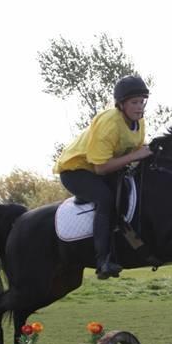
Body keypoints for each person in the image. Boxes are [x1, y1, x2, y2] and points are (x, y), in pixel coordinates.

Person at [54, 75, 153, 279]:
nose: (139, 107)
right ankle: (103, 261)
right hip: (76, 170)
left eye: (142, 102)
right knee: (105, 199)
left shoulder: (139, 123)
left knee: (127, 193)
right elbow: (100, 168)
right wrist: (136, 155)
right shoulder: (109, 122)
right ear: (121, 104)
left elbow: (136, 151)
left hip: (101, 168)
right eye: (134, 102)